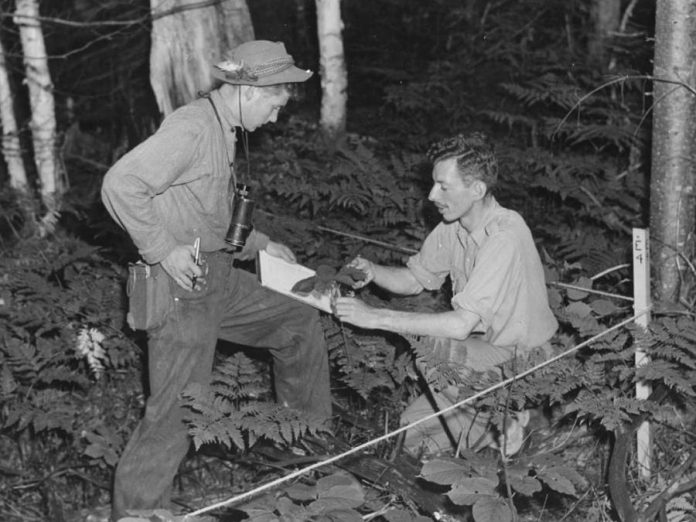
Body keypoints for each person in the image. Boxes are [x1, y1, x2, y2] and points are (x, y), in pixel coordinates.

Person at [101, 40, 331, 520]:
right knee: (179, 412)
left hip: (216, 279)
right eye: (273, 103)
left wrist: (261, 243)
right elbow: (121, 185)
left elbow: (207, 216)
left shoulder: (224, 128)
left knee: (296, 318)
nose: (274, 117)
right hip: (182, 292)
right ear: (249, 89)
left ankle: (304, 457)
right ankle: (137, 514)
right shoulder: (192, 128)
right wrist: (162, 250)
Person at [333, 132, 557, 456]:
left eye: (443, 186)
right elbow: (414, 279)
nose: (432, 194)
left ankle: (500, 448)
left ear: (477, 189)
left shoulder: (505, 235)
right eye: (433, 183)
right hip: (486, 352)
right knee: (408, 438)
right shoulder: (455, 225)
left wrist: (375, 318)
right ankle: (493, 431)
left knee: (433, 353)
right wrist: (373, 271)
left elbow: (459, 326)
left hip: (527, 358)